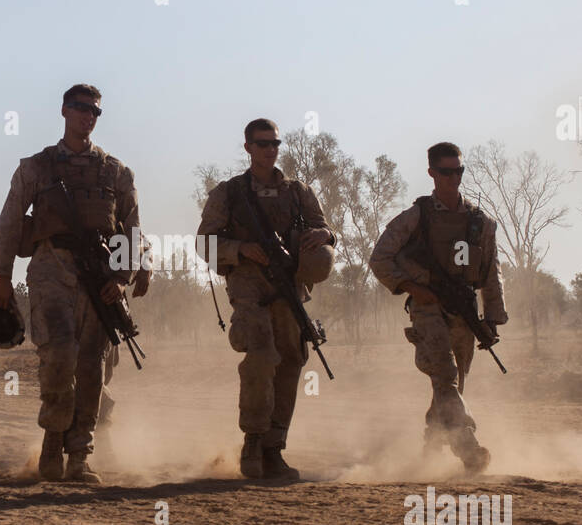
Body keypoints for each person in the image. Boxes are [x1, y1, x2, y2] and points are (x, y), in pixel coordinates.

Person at [0, 84, 150, 483]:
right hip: (51, 270)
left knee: (91, 365)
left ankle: (79, 454)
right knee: (59, 356)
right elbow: (10, 221)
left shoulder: (117, 172)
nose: (87, 116)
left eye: (94, 111)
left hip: (99, 282)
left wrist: (122, 278)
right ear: (64, 111)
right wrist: (1, 276)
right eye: (80, 108)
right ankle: (52, 441)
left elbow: (131, 229)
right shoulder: (36, 167)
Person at [196, 118, 336, 481]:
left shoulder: (298, 191)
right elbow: (204, 244)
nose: (270, 149)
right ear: (248, 148)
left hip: (289, 285)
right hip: (248, 285)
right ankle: (254, 440)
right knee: (260, 356)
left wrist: (323, 234)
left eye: (275, 143)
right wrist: (241, 249)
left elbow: (324, 230)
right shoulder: (229, 193)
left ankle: (275, 447)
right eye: (262, 144)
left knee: (290, 361)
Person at [368, 141, 507, 475]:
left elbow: (490, 271)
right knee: (444, 376)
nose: (453, 178)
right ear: (432, 173)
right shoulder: (416, 217)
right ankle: (468, 446)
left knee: (451, 383)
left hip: (465, 309)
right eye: (446, 172)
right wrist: (413, 287)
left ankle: (433, 441)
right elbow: (380, 259)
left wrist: (492, 319)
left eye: (458, 171)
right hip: (428, 308)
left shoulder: (480, 222)